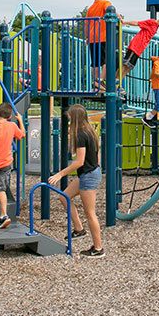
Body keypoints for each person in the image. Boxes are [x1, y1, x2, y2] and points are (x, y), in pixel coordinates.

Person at [48, 104, 105, 257]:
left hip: (88, 175)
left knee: (90, 213)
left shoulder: (80, 134)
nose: (68, 119)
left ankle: (98, 248)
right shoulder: (90, 131)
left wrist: (60, 174)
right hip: (90, 172)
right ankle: (79, 229)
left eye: (70, 117)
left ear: (74, 118)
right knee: (64, 197)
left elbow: (79, 162)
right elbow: (97, 155)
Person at [120, 11, 159, 78]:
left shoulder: (156, 27)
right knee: (125, 65)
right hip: (135, 46)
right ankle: (115, 81)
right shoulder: (152, 22)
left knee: (129, 67)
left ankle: (118, 83)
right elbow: (137, 23)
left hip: (139, 49)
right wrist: (124, 22)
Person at [86, 0, 119, 89]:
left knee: (95, 62)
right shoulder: (106, 3)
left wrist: (87, 37)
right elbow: (112, 11)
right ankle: (100, 81)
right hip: (103, 36)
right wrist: (119, 19)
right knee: (107, 60)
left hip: (92, 38)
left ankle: (95, 84)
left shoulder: (90, 8)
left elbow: (86, 24)